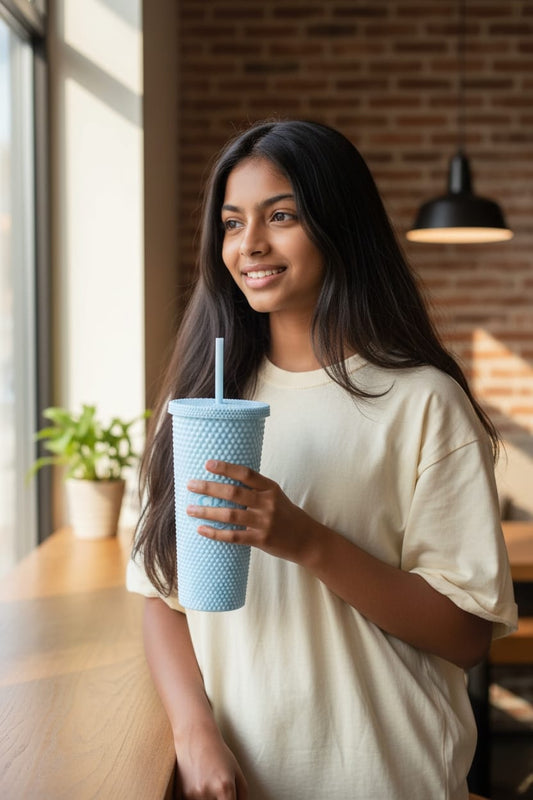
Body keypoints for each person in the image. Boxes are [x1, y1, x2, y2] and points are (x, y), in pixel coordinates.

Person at [127, 119, 517, 800]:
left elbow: (464, 634)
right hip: (247, 781)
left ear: (339, 227)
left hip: (389, 776)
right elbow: (157, 588)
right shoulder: (196, 405)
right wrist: (193, 732)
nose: (249, 244)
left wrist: (304, 540)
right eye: (230, 222)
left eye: (280, 216)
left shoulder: (422, 401)